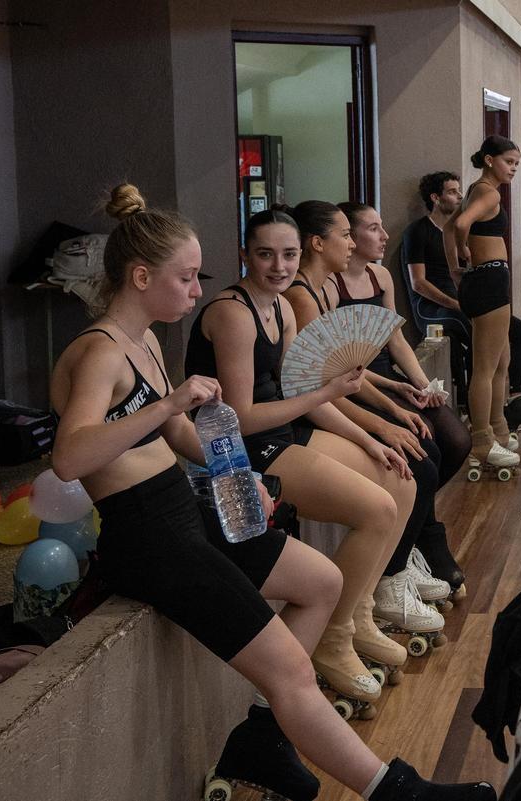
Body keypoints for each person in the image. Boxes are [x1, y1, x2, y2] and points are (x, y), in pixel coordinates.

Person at [55, 184, 493, 801]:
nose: (196, 291)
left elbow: (182, 437)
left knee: (322, 582)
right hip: (147, 538)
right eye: (185, 278)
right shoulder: (97, 353)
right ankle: (396, 792)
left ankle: (261, 740)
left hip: (184, 511)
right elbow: (70, 458)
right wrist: (172, 403)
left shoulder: (145, 341)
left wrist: (243, 480)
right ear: (141, 276)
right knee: (291, 670)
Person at [186, 206, 418, 707]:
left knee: (401, 481)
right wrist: (325, 394)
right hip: (240, 452)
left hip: (283, 432)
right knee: (377, 509)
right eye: (265, 255)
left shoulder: (282, 308)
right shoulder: (233, 314)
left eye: (288, 255)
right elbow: (242, 417)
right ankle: (333, 638)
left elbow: (302, 391)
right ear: (245, 255)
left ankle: (357, 615)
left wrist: (370, 439)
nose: (279, 266)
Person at [335, 200, 471, 599]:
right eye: (373, 228)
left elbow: (395, 338)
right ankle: (416, 544)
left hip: (387, 377)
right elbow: (339, 365)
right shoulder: (330, 285)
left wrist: (423, 385)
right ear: (349, 237)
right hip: (360, 384)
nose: (384, 236)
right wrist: (394, 395)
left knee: (456, 439)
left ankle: (417, 531)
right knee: (424, 446)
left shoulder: (379, 276)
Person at [405, 171, 521, 439]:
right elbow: (419, 283)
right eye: (452, 192)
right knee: (484, 353)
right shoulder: (418, 231)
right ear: (435, 198)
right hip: (436, 306)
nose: (459, 196)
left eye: (460, 191)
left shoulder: (463, 226)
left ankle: (514, 402)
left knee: (520, 333)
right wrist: (454, 301)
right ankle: (482, 427)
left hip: (467, 295)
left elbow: (457, 236)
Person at [442, 136, 521, 472]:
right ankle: (482, 442)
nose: (513, 169)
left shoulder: (476, 189)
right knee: (486, 368)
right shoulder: (489, 193)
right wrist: (464, 251)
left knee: (502, 360)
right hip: (489, 279)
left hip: (484, 278)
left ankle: (499, 429)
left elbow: (447, 228)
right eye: (508, 162)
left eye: (516, 164)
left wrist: (455, 270)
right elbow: (459, 226)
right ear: (489, 159)